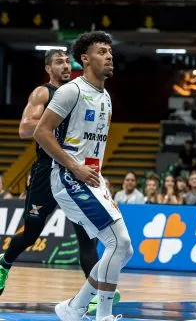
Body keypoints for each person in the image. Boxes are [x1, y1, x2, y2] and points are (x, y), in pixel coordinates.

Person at [0, 49, 112, 313]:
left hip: (76, 172)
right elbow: (24, 128)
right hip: (46, 170)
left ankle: (94, 294)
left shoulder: (78, 93)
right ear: (48, 68)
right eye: (59, 62)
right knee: (31, 232)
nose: (66, 65)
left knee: (86, 237)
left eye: (67, 61)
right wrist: (53, 118)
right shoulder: (44, 93)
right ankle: (4, 263)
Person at [32, 31, 133, 321]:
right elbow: (41, 132)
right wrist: (74, 167)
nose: (109, 56)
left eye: (110, 51)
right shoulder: (71, 91)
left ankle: (74, 307)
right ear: (86, 59)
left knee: (123, 252)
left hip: (92, 180)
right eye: (102, 51)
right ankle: (103, 315)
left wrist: (97, 176)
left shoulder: (106, 96)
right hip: (68, 177)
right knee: (120, 244)